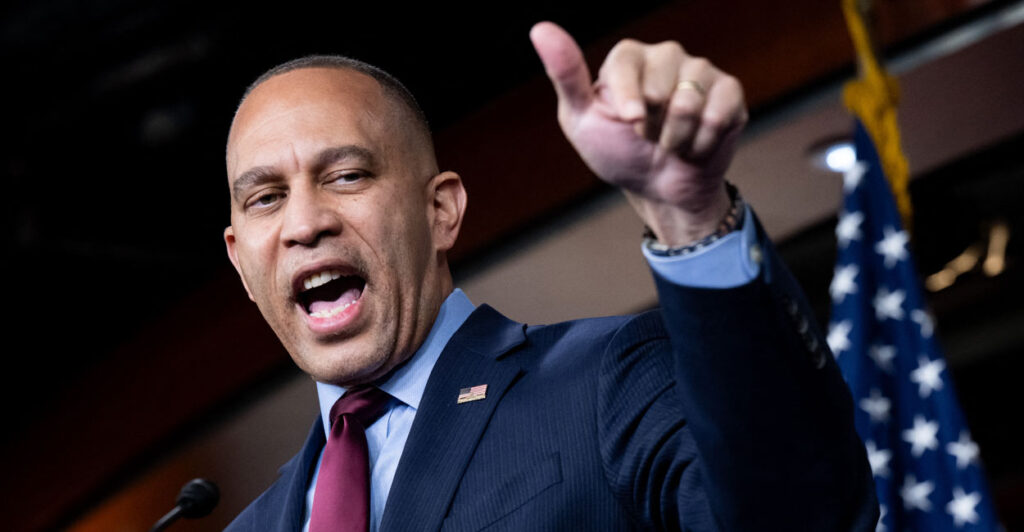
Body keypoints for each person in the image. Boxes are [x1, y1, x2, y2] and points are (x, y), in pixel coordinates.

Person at [222, 21, 878, 532]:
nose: (305, 223)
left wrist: (692, 217)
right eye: (265, 198)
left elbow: (793, 517)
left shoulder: (603, 383)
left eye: (346, 176)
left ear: (441, 211)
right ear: (240, 261)